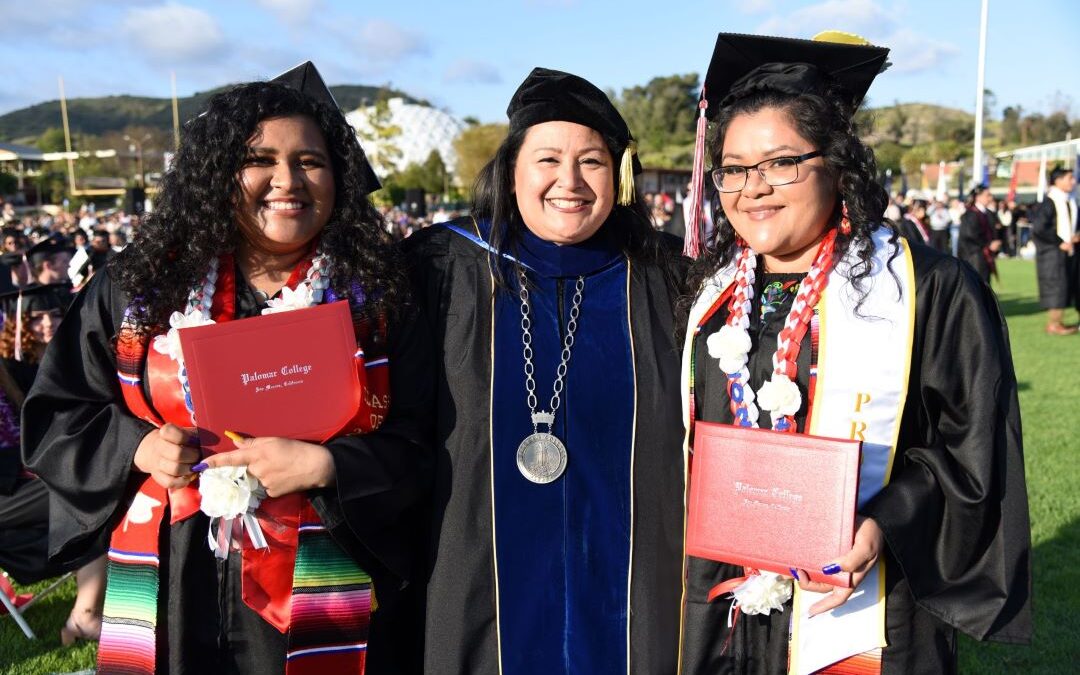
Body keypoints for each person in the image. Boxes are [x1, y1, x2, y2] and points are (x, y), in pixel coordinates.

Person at [22, 63, 433, 674]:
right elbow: (59, 413)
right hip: (173, 576)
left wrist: (330, 465)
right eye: (259, 159)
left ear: (339, 177)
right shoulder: (138, 289)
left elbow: (431, 437)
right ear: (217, 175)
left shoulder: (381, 298)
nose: (286, 180)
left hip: (320, 578)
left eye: (310, 161)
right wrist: (137, 450)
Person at [680, 32, 1031, 674]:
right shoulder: (706, 298)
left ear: (836, 163)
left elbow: (973, 454)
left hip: (870, 606)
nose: (752, 188)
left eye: (781, 162)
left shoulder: (929, 290)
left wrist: (882, 522)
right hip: (727, 611)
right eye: (733, 168)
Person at [405, 67, 687, 674]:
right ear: (512, 171)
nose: (570, 181)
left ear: (619, 175)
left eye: (592, 162)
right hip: (478, 587)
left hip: (631, 589)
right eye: (548, 159)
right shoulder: (442, 268)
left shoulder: (666, 280)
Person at [0, 284, 107, 645]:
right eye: (36, 318)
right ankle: (85, 615)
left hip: (19, 478)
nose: (46, 324)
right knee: (85, 489)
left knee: (95, 478)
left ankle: (87, 611)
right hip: (8, 485)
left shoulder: (9, 374)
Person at [1030, 165, 1079, 335]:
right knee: (1056, 287)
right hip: (1052, 254)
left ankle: (1060, 322)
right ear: (1058, 181)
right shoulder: (1049, 202)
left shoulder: (1070, 200)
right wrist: (1060, 242)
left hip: (1069, 252)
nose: (1073, 181)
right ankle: (1054, 324)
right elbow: (1039, 229)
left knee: (1068, 285)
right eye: (1069, 178)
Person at [958, 184, 1002, 284]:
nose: (990, 198)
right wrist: (988, 244)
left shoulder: (989, 214)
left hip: (986, 256)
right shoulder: (969, 215)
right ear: (978, 197)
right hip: (974, 256)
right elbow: (969, 235)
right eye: (987, 195)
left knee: (985, 285)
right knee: (976, 286)